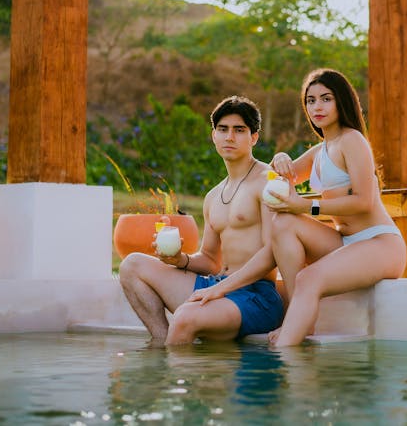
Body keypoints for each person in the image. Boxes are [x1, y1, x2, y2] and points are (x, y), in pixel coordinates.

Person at [118, 95, 284, 346]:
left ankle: (172, 368)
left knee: (185, 316)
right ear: (214, 135)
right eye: (223, 129)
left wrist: (220, 289)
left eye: (239, 130)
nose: (229, 137)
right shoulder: (213, 196)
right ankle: (162, 346)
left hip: (255, 296)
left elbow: (272, 253)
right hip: (217, 285)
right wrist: (180, 260)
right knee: (132, 266)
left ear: (254, 137)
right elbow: (210, 259)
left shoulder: (266, 181)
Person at [264, 68, 407, 347]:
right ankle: (299, 317)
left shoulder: (352, 140)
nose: (317, 106)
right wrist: (279, 158)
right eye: (310, 100)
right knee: (283, 223)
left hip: (379, 243)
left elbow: (363, 202)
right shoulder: (321, 150)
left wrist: (306, 206)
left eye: (325, 99)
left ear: (341, 101)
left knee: (309, 277)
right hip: (345, 243)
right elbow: (283, 176)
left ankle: (289, 352)